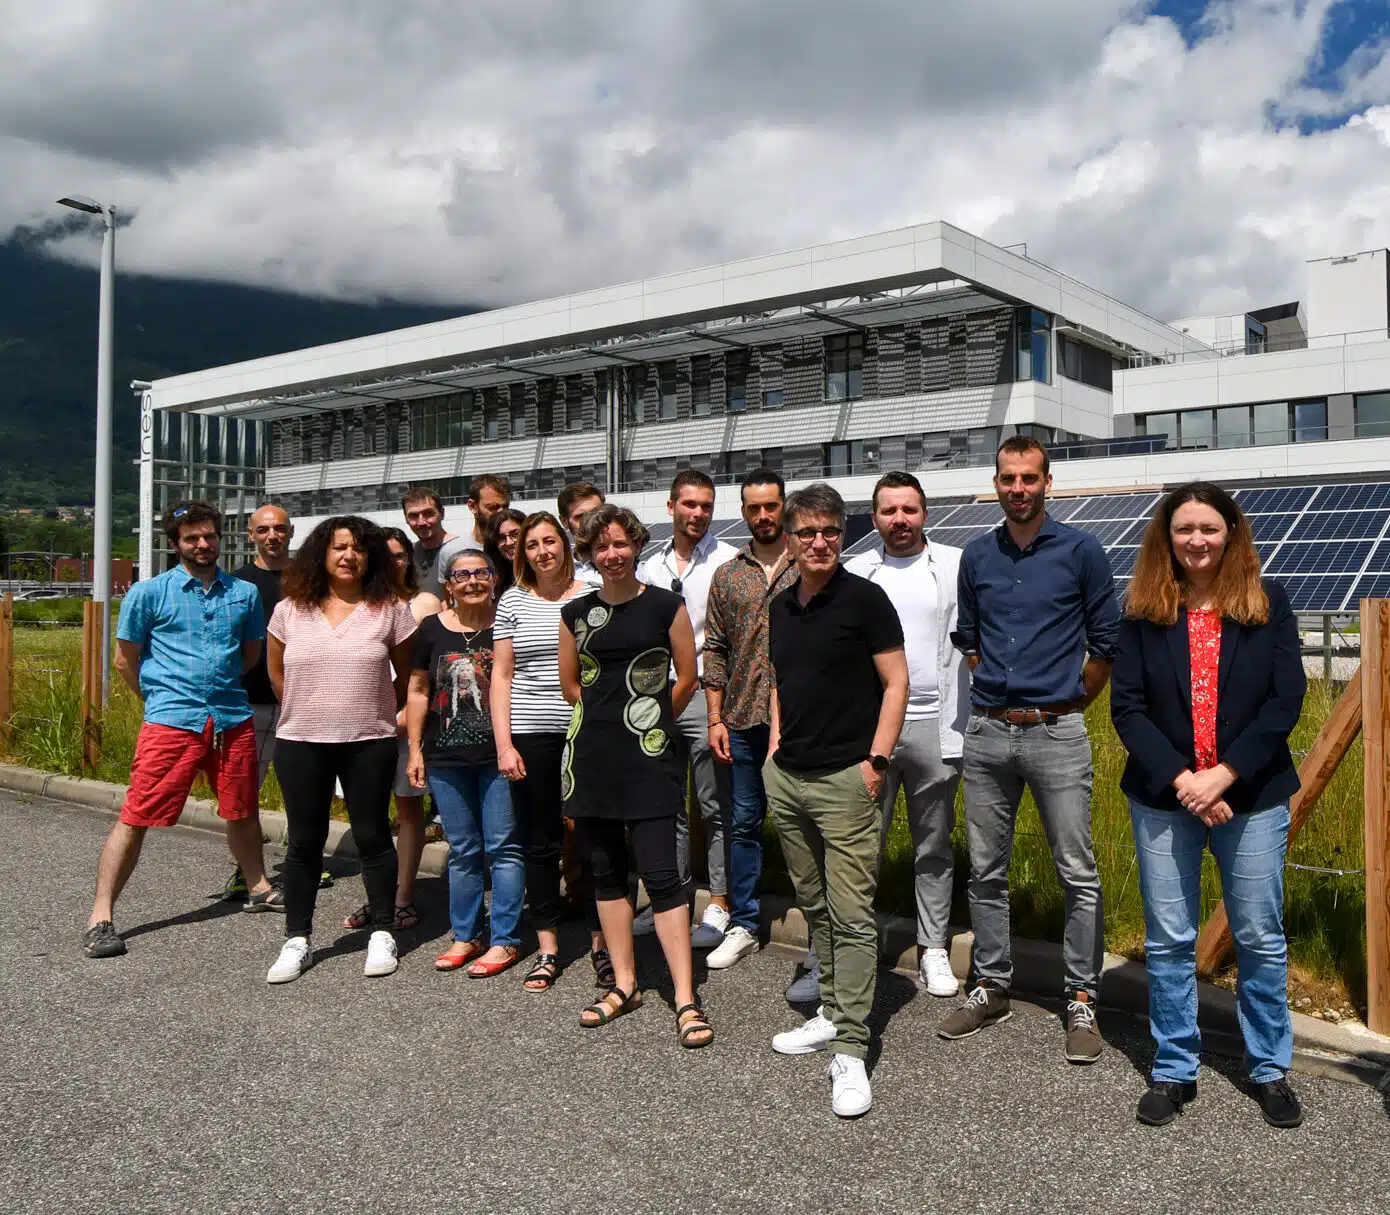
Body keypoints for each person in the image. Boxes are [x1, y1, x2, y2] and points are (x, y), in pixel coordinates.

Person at [1112, 482, 1307, 1129]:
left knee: (1258, 934)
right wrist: (1183, 781)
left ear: (1231, 533)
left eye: (1209, 528)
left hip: (1249, 797)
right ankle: (1174, 1068)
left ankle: (1269, 1066)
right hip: (1164, 799)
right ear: (1166, 537)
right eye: (1184, 528)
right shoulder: (1142, 611)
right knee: (1169, 939)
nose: (1197, 539)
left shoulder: (1268, 602)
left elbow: (1284, 703)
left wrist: (1220, 776)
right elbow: (1128, 710)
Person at [939, 435, 1118, 1064]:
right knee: (986, 869)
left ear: (1048, 483)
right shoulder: (978, 556)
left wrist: (1068, 703)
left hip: (1057, 732)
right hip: (987, 732)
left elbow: (1105, 642)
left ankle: (1081, 998)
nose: (1019, 489)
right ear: (996, 483)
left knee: (1079, 873)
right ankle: (991, 984)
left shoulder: (1081, 551)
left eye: (1029, 479)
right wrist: (998, 692)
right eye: (1008, 479)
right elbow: (970, 636)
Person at [83, 501, 282, 960]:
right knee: (137, 814)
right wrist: (160, 699)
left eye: (209, 536)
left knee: (241, 807)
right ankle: (100, 916)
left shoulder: (243, 593)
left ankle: (257, 886)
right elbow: (124, 660)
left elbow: (250, 655)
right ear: (175, 544)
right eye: (192, 538)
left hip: (231, 717)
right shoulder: (148, 594)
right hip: (172, 721)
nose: (203, 544)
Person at [765, 482, 908, 1119]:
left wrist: (875, 761)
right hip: (789, 778)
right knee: (813, 902)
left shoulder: (866, 600)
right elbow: (780, 682)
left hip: (848, 779)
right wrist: (772, 748)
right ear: (789, 541)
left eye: (829, 532)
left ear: (842, 536)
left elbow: (896, 681)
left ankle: (851, 1047)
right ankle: (829, 1008)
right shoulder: (782, 607)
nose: (819, 542)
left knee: (852, 913)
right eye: (807, 533)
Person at [558, 504, 713, 1049]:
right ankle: (625, 985)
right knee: (605, 874)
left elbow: (688, 677)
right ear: (589, 553)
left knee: (663, 875)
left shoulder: (667, 605)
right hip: (592, 759)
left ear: (636, 545)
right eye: (601, 547)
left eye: (621, 544)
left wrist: (649, 720)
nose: (612, 554)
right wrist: (605, 722)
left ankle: (686, 997)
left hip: (649, 756)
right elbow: (571, 686)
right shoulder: (575, 613)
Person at [264, 516, 418, 984]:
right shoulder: (290, 609)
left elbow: (409, 677)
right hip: (299, 741)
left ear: (370, 556)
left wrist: (385, 718)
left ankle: (383, 931)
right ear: (321, 555)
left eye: (357, 548)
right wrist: (310, 710)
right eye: (338, 547)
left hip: (368, 741)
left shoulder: (390, 608)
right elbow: (276, 675)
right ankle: (298, 938)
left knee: (372, 836)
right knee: (304, 841)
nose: (348, 556)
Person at [845, 471, 970, 997]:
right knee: (858, 844)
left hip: (936, 723)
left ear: (925, 513)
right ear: (874, 518)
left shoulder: (956, 566)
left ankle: (934, 947)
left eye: (909, 510)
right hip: (871, 729)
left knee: (933, 844)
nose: (899, 520)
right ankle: (851, 946)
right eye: (889, 511)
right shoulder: (856, 571)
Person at [493, 511, 608, 991]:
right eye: (532, 545)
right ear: (524, 554)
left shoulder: (591, 594)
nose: (542, 551)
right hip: (531, 733)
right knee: (539, 842)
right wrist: (504, 744)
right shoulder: (512, 602)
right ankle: (547, 947)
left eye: (549, 541)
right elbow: (501, 675)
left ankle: (605, 944)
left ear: (565, 545)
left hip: (588, 732)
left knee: (598, 838)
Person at [407, 549, 524, 976]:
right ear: (449, 586)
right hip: (446, 758)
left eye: (481, 572)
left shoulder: (509, 625)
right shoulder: (431, 630)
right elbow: (418, 691)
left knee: (504, 847)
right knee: (463, 849)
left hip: (499, 757)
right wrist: (416, 749)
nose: (472, 581)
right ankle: (466, 935)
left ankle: (506, 940)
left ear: (494, 578)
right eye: (462, 575)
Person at [702, 469, 800, 973]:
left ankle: (821, 925)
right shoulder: (728, 573)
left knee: (807, 824)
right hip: (741, 717)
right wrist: (715, 716)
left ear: (783, 506)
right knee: (743, 822)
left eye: (771, 506)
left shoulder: (810, 562)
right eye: (754, 508)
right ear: (743, 513)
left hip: (804, 721)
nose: (763, 515)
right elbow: (714, 650)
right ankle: (744, 920)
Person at [636, 470, 737, 946]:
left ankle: (719, 900)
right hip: (658, 696)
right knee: (665, 802)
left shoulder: (728, 561)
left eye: (706, 505)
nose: (698, 513)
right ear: (671, 506)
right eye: (690, 504)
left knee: (715, 804)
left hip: (706, 695)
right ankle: (670, 894)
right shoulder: (649, 566)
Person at [340, 527, 442, 935]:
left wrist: (404, 721)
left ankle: (402, 895)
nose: (393, 561)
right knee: (368, 816)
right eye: (385, 554)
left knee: (407, 808)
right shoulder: (358, 603)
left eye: (400, 555)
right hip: (362, 725)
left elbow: (431, 669)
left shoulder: (424, 602)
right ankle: (377, 895)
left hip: (406, 722)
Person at [221, 502, 296, 902]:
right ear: (251, 535)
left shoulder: (305, 580)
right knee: (247, 790)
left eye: (279, 529)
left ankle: (302, 864)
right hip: (251, 703)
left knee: (302, 788)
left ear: (291, 533)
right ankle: (246, 872)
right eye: (263, 530)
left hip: (302, 703)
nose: (272, 536)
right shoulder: (237, 584)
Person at [403, 486, 474, 600]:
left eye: (428, 513)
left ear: (442, 514)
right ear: (406, 519)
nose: (421, 522)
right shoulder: (407, 553)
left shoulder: (462, 551)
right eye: (414, 516)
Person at [558, 481, 606, 586]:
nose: (590, 522)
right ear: (564, 521)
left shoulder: (628, 565)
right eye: (581, 517)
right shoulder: (556, 571)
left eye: (596, 514)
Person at [485, 507, 525, 597]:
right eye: (501, 538)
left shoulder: (542, 572)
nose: (508, 542)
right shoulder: (492, 580)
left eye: (515, 534)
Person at [466, 473, 512, 548]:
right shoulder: (455, 550)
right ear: (473, 506)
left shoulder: (517, 548)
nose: (501, 513)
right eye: (493, 507)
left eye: (505, 507)